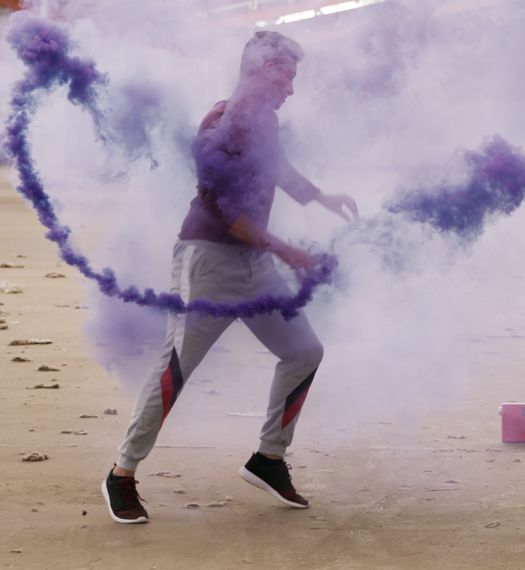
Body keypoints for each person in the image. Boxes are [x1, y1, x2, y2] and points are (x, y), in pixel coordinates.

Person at [102, 31, 359, 524]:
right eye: (285, 75)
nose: (291, 87)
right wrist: (287, 251)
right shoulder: (220, 124)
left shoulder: (266, 120)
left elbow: (276, 167)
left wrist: (319, 196)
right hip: (208, 264)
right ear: (260, 69)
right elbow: (224, 215)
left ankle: (268, 458)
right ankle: (122, 474)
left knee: (304, 351)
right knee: (175, 369)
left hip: (254, 262)